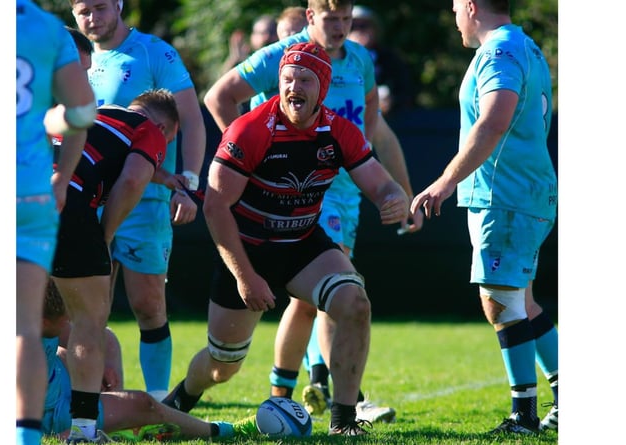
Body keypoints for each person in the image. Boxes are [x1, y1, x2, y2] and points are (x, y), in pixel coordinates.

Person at [165, 41, 410, 436]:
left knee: (355, 303)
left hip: (302, 243)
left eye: (305, 79)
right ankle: (178, 402)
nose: (294, 87)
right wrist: (245, 277)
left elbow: (380, 184)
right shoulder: (250, 129)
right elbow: (214, 207)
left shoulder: (338, 130)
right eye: (288, 78)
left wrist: (393, 198)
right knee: (221, 365)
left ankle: (344, 421)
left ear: (323, 89)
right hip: (246, 248)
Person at [410, 0, 558, 434]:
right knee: (521, 302)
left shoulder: (499, 52)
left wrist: (444, 181)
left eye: (456, 6)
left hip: (506, 197)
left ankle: (524, 416)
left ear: (471, 6)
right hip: (522, 194)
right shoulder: (526, 46)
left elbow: (493, 121)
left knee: (500, 302)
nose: (454, 14)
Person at [273, 5, 420, 421]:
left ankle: (292, 393)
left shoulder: (359, 62)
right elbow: (224, 97)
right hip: (303, 195)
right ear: (310, 15)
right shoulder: (284, 55)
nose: (339, 27)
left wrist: (403, 194)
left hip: (345, 198)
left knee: (311, 302)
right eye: (330, 17)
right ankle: (344, 404)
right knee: (340, 292)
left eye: (345, 18)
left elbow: (374, 134)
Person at [69, 0, 206, 403]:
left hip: (146, 200)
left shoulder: (154, 53)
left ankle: (158, 403)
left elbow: (193, 120)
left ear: (119, 5)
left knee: (148, 304)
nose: (93, 18)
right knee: (87, 310)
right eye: (84, 11)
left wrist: (189, 185)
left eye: (100, 7)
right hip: (86, 201)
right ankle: (90, 402)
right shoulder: (69, 55)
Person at [50, 88, 188, 443]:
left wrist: (166, 178)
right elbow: (132, 178)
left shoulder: (102, 113)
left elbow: (108, 157)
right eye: (167, 143)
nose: (162, 154)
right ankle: (83, 431)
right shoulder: (151, 130)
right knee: (90, 322)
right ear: (163, 126)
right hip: (67, 204)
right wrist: (105, 235)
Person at [16, 1, 96, 444]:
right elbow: (83, 112)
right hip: (29, 189)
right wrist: (62, 178)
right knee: (24, 327)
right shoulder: (46, 28)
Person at [41, 279, 257, 442]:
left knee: (104, 339)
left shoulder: (32, 302)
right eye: (66, 317)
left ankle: (112, 423)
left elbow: (80, 336)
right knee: (146, 405)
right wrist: (62, 435)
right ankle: (224, 430)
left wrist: (94, 363)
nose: (70, 319)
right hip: (50, 413)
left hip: (57, 382)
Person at [348, 5, 417, 115]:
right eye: (352, 27)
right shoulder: (334, 60)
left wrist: (392, 101)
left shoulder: (391, 59)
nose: (359, 31)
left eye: (364, 26)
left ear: (375, 29)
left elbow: (407, 92)